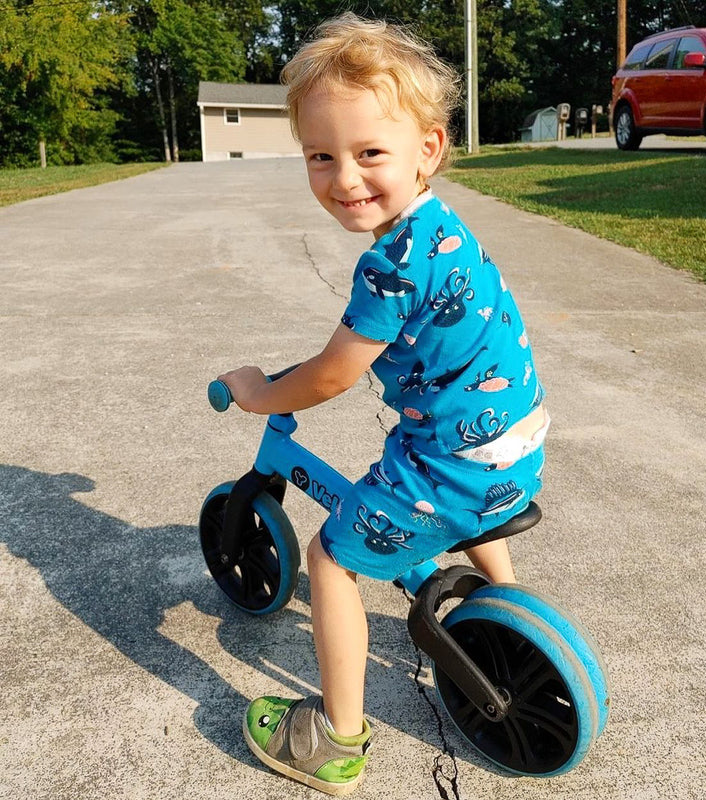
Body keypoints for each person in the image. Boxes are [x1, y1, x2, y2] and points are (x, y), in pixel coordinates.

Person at [217, 12, 549, 796]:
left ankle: (335, 742)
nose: (345, 178)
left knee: (332, 562)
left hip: (453, 465)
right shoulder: (443, 229)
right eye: (320, 157)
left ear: (428, 148)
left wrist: (261, 392)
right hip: (516, 445)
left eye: (370, 153)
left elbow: (333, 375)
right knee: (443, 482)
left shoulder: (388, 267)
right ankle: (509, 607)